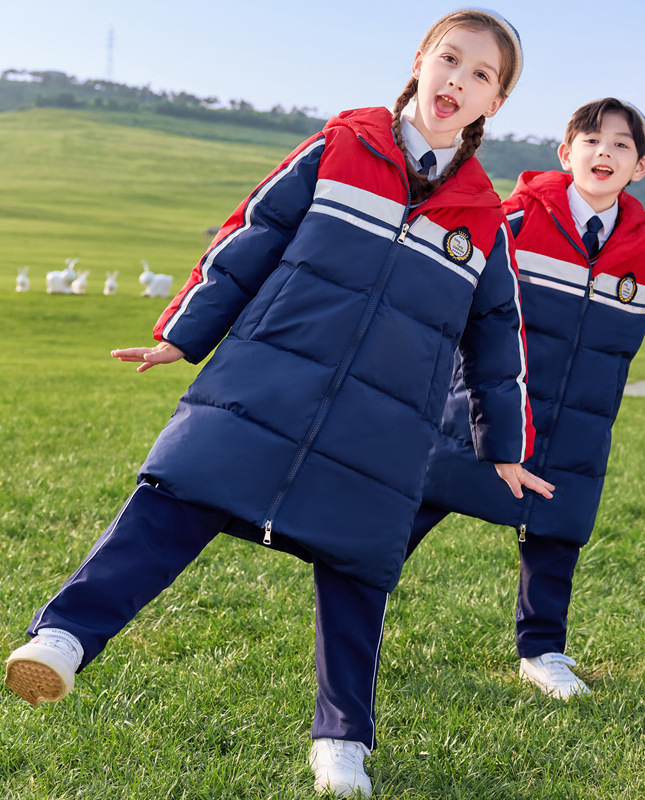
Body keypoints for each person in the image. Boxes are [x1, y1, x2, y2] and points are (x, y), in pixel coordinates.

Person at [4, 10, 554, 798]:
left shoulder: (481, 222)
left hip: (382, 426)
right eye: (450, 60)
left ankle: (342, 742)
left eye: (481, 75)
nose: (457, 81)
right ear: (419, 62)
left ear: (493, 105)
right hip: (264, 383)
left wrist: (503, 446)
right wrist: (182, 334)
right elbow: (250, 238)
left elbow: (499, 343)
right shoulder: (340, 149)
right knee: (171, 501)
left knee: (360, 572)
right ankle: (61, 639)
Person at [313, 97, 645, 720]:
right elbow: (434, 263)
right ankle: (352, 628)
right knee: (405, 514)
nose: (605, 153)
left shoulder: (644, 254)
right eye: (591, 141)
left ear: (639, 166)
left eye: (621, 146)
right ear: (566, 154)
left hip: (576, 431)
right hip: (480, 414)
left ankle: (542, 650)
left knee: (556, 536)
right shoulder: (515, 221)